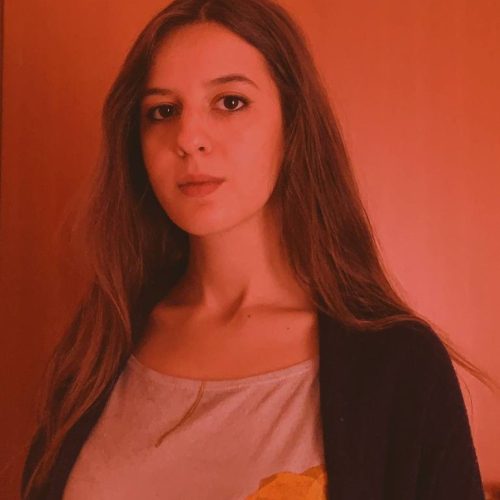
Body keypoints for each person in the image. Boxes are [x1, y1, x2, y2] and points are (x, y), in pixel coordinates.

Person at [20, 0, 496, 498]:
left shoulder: (397, 365)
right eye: (163, 111)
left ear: (293, 124)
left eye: (230, 102)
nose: (188, 137)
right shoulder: (99, 347)